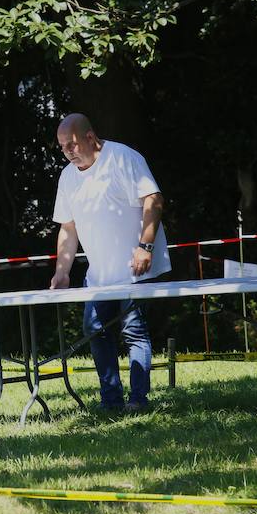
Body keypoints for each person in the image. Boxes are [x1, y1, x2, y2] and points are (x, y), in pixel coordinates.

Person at [50, 114, 171, 412]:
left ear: (91, 137)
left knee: (133, 332)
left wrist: (145, 246)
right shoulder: (68, 176)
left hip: (135, 270)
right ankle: (111, 401)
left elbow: (153, 200)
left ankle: (138, 401)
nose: (69, 152)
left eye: (73, 144)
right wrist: (62, 272)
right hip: (99, 277)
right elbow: (68, 227)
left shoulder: (123, 158)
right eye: (63, 147)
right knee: (95, 330)